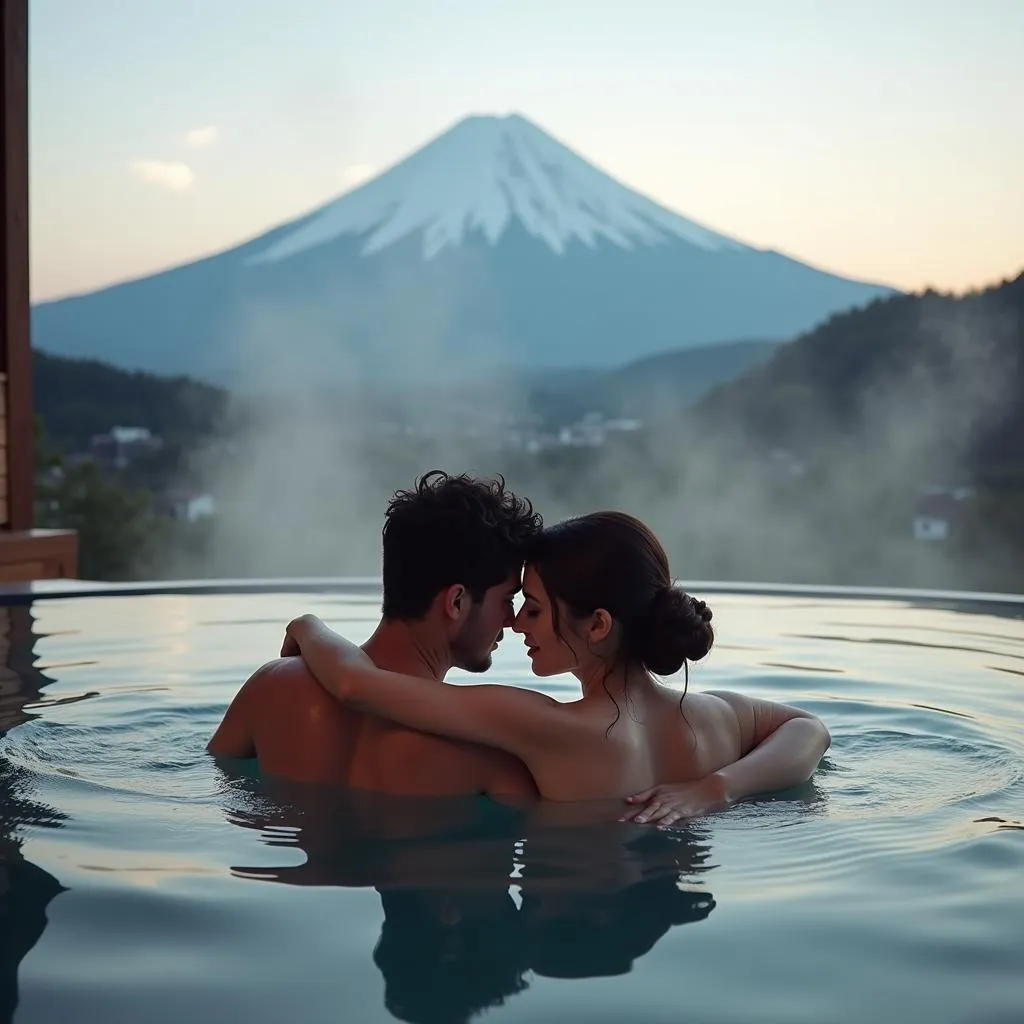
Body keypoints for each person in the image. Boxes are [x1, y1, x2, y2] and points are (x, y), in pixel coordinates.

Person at [283, 510, 832, 821]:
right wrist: (718, 788)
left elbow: (356, 684)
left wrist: (306, 625)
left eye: (536, 608)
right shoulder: (717, 716)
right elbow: (810, 729)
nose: (519, 623)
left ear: (597, 624)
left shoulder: (547, 727)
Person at [208, 471, 542, 800]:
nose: (512, 620)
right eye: (508, 600)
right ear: (456, 602)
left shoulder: (269, 687)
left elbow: (212, 780)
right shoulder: (488, 755)